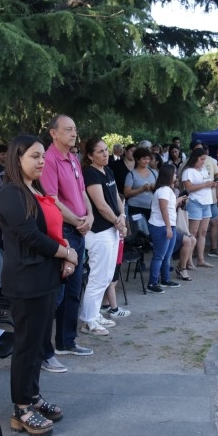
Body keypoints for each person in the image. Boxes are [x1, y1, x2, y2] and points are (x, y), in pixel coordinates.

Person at [0, 135, 77, 436]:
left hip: (46, 277)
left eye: (43, 155)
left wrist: (65, 251)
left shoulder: (36, 188)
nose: (42, 161)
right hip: (26, 280)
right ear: (17, 159)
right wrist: (65, 252)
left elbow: (52, 228)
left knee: (39, 343)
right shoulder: (11, 193)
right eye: (34, 156)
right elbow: (30, 235)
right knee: (26, 345)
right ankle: (21, 408)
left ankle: (32, 396)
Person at [41, 115, 95, 365]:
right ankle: (45, 350)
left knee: (74, 288)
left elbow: (82, 191)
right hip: (65, 230)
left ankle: (66, 341)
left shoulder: (73, 158)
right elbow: (51, 200)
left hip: (79, 228)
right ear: (54, 133)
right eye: (68, 129)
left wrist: (90, 216)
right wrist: (77, 221)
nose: (74, 134)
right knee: (59, 292)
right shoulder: (49, 159)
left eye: (75, 129)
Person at [80, 137, 126, 332]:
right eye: (100, 151)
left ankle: (95, 313)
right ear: (90, 156)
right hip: (99, 231)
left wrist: (122, 216)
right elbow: (100, 204)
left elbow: (116, 196)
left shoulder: (107, 170)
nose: (105, 153)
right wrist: (117, 221)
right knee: (98, 277)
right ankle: (88, 321)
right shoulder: (90, 173)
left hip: (112, 228)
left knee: (107, 277)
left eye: (106, 149)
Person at [147, 164, 185, 293]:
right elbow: (163, 209)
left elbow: (169, 207)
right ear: (169, 175)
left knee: (166, 255)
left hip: (168, 225)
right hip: (161, 226)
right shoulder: (163, 190)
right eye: (174, 173)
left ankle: (165, 279)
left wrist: (178, 200)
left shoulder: (167, 190)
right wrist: (168, 227)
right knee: (159, 256)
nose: (176, 176)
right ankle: (152, 283)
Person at [181, 147, 217, 268]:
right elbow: (189, 188)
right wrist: (205, 184)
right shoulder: (188, 171)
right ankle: (188, 261)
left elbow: (205, 184)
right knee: (193, 233)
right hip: (195, 202)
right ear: (195, 159)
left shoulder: (203, 169)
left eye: (204, 159)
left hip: (206, 202)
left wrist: (211, 184)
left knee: (203, 232)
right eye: (201, 159)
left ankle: (201, 259)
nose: (203, 162)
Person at [123, 146, 157, 220]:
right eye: (144, 159)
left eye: (148, 159)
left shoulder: (154, 173)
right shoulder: (131, 174)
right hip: (135, 207)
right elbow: (126, 193)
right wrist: (142, 189)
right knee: (138, 227)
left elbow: (160, 189)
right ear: (137, 160)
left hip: (152, 207)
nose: (146, 161)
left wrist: (155, 187)